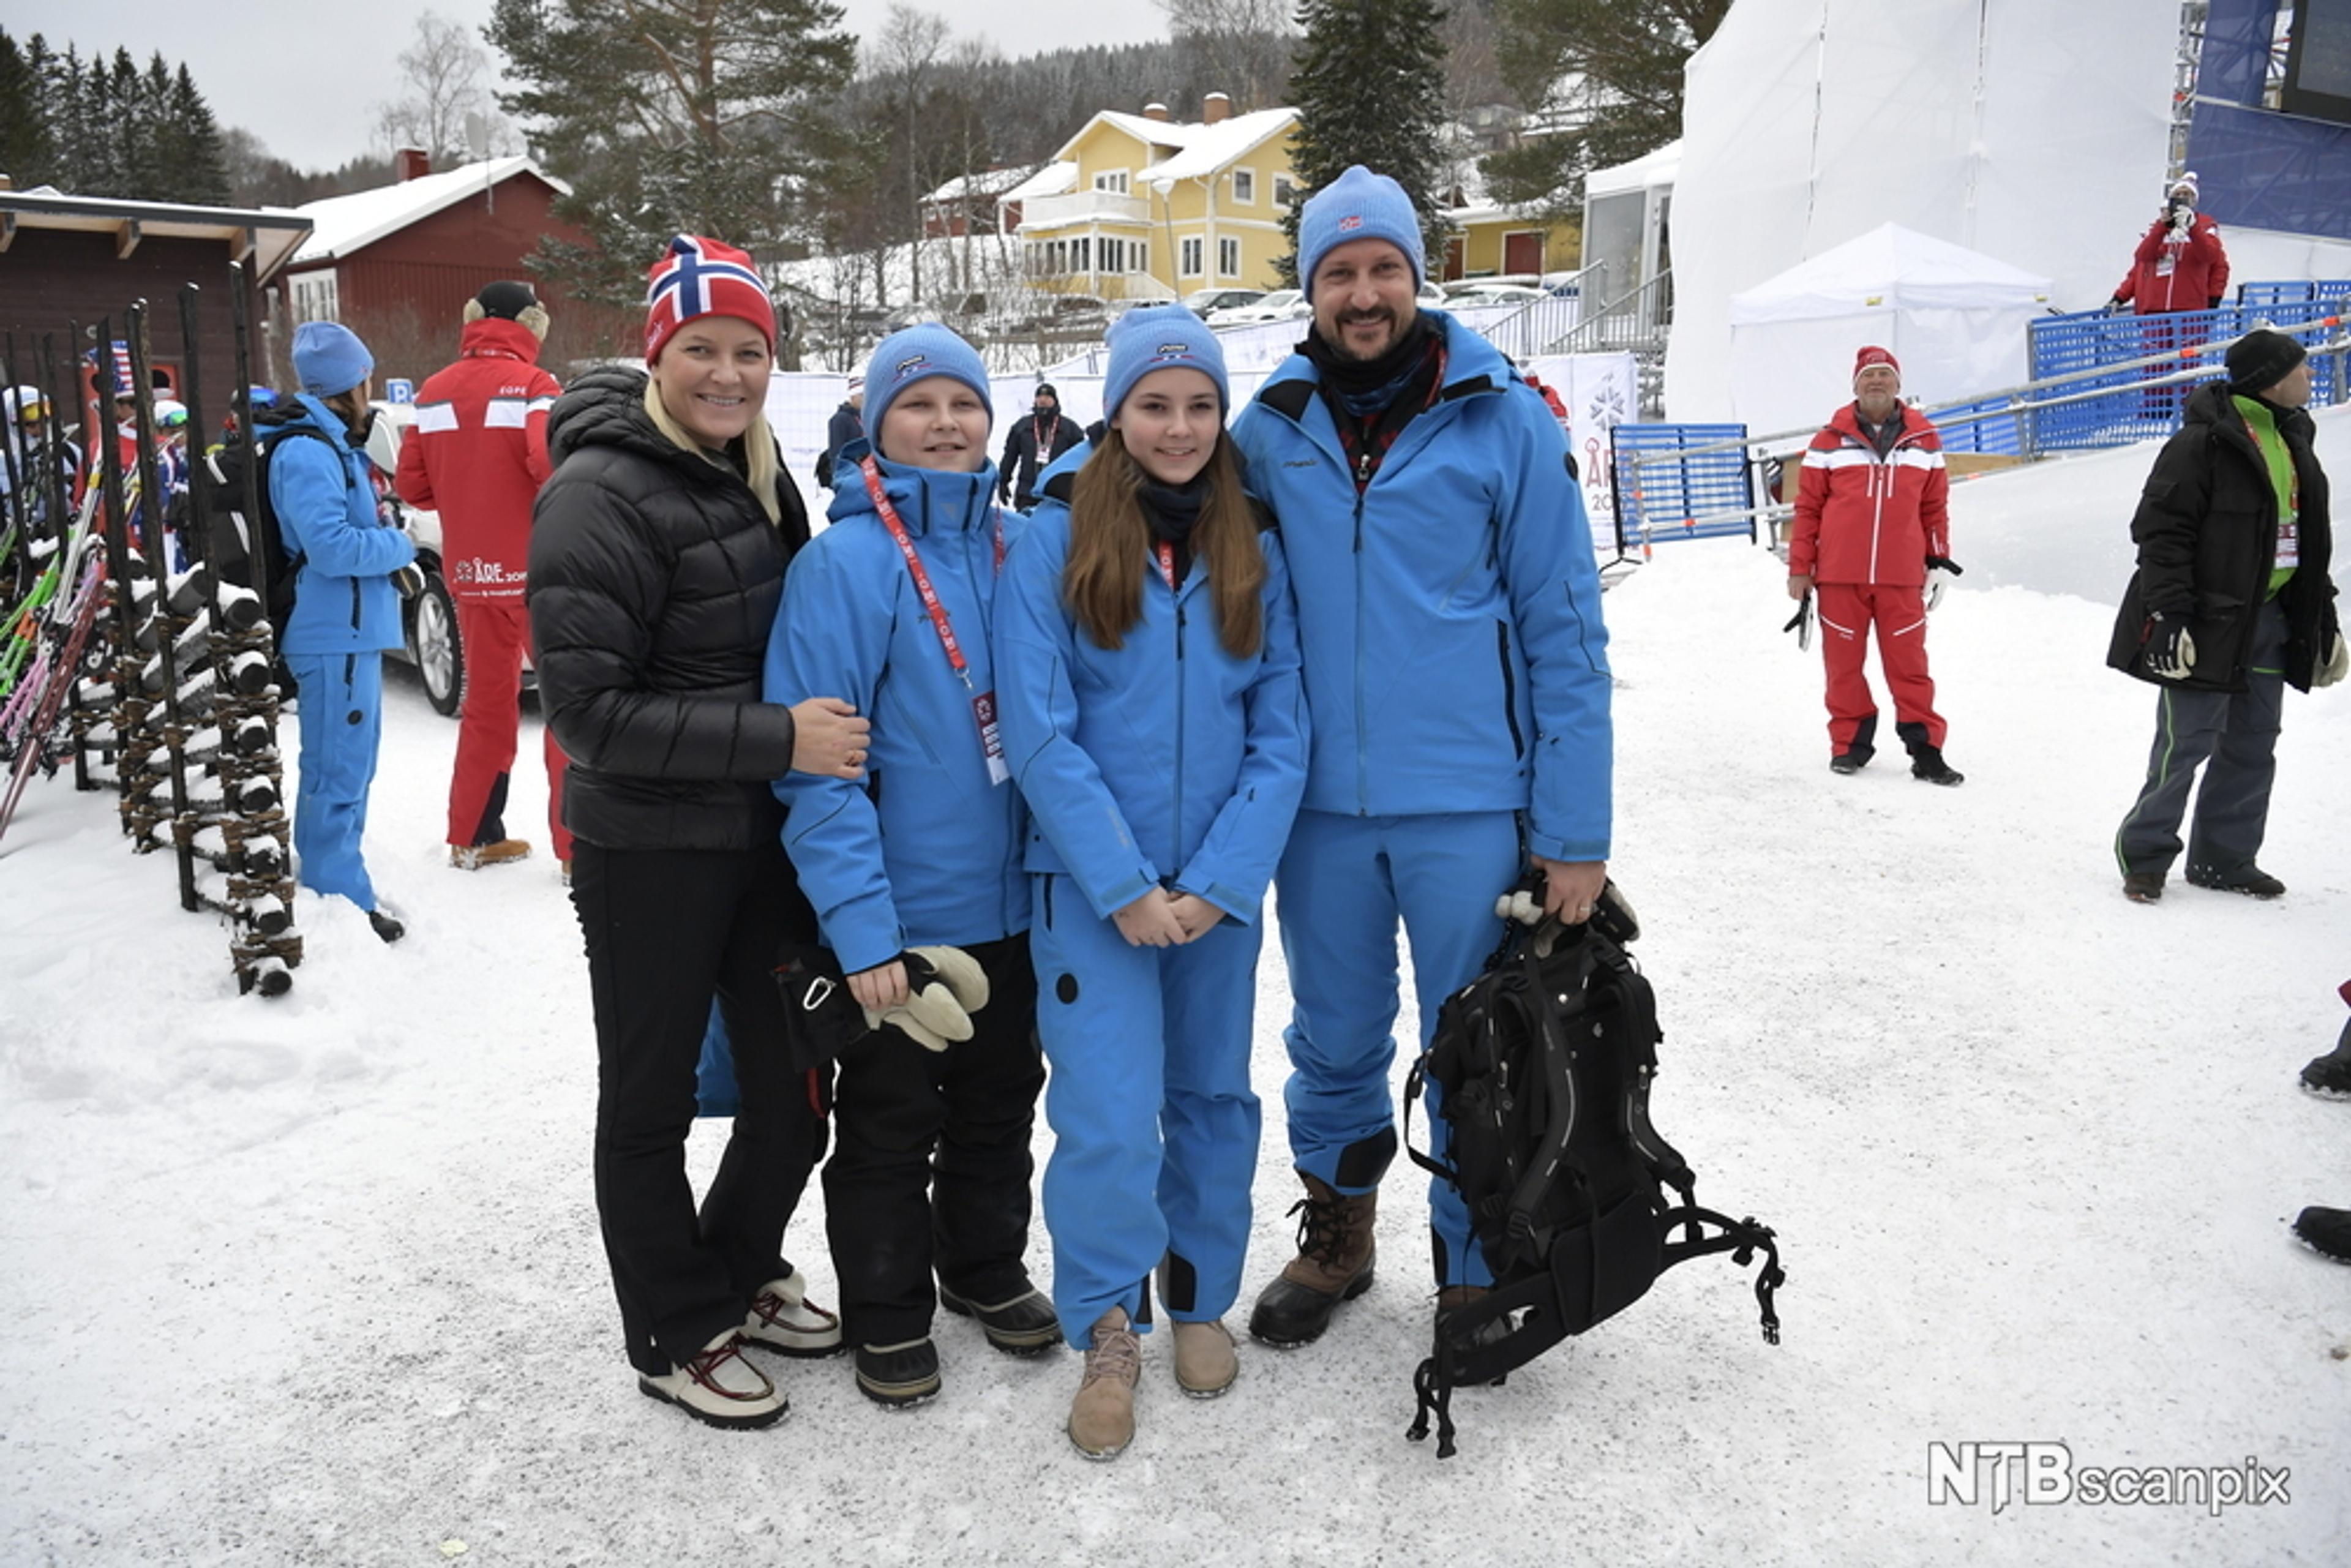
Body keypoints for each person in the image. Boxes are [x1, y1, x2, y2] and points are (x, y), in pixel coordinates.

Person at [1228, 165, 1613, 1349]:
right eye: (1339, 272)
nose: (1363, 294)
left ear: (1416, 275)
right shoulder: (1266, 432)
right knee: (1332, 1040)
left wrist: (1575, 833)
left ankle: (1478, 1262)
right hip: (1317, 813)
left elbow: (1566, 633)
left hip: (1468, 803)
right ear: (1310, 289)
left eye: (1383, 268)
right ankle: (1340, 1234)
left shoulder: (1507, 420)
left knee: (1479, 1043)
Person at [527, 234, 866, 1429]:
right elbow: (588, 715)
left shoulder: (758, 473)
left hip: (760, 840)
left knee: (795, 1082)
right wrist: (780, 738)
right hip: (648, 852)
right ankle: (674, 1329)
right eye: (702, 349)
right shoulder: (596, 493)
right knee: (651, 1100)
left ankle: (737, 1264)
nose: (727, 374)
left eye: (749, 352)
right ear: (657, 354)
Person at [996, 306, 1308, 1458]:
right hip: (1093, 891)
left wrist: (1219, 881)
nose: (1179, 428)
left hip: (1217, 888)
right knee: (1108, 1112)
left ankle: (1198, 1296)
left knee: (1213, 1098)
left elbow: (1283, 732)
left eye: (1200, 406)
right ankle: (1107, 1323)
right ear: (1116, 413)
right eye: (1155, 405)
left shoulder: (1251, 540)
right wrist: (1123, 884)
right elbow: (1040, 730)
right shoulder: (1052, 539)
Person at [766, 323, 1051, 1409]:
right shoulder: (844, 565)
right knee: (889, 1126)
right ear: (876, 425)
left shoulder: (1023, 547)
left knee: (1001, 1107)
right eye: (918, 405)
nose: (945, 424)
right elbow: (817, 775)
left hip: (1018, 908)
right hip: (902, 921)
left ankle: (981, 1265)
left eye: (963, 404)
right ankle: (887, 1308)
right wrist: (863, 930)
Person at [2108, 328, 2343, 903]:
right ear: (2271, 378)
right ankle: (2146, 855)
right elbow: (2161, 534)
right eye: (2302, 367)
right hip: (2206, 622)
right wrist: (2170, 616)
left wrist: (2323, 616)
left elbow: (2306, 538)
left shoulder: (2295, 437)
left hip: (2273, 619)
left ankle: (2224, 859)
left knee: (2254, 741)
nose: (2311, 375)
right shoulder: (2201, 443)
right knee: (2185, 743)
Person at [394, 280, 573, 876]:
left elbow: (412, 486)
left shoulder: (433, 391)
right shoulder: (535, 386)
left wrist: (467, 486)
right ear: (532, 325)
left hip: (471, 574)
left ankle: (471, 837)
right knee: (567, 705)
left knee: (486, 707)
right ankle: (579, 851)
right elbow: (549, 465)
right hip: (538, 573)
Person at [271, 322, 421, 943]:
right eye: (366, 376)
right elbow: (330, 547)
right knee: (336, 769)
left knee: (349, 766)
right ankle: (338, 895)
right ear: (351, 382)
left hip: (349, 633)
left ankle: (336, 879)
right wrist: (401, 543)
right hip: (331, 633)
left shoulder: (333, 444)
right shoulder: (308, 452)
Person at [1785, 347, 1964, 783]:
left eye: (1885, 374)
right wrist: (1800, 567)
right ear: (1856, 386)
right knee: (1843, 667)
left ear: (1898, 384)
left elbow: (1935, 506)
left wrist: (1938, 560)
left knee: (1910, 667)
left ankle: (1926, 750)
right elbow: (1807, 508)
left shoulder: (1925, 440)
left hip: (1901, 576)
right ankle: (1849, 744)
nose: (1877, 382)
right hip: (1839, 575)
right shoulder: (1828, 441)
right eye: (1868, 376)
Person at [2110, 173, 2230, 316]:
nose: (2181, 198)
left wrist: (2214, 298)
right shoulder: (2159, 230)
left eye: (2187, 194)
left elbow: (2211, 259)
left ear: (2194, 200)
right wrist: (2120, 296)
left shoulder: (2206, 226)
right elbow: (2142, 260)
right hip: (2153, 309)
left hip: (2190, 310)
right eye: (2177, 195)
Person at [998, 382, 1083, 511]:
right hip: (1027, 492)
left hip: (1058, 494)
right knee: (1026, 522)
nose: (1043, 400)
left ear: (1055, 401)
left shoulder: (1069, 429)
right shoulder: (1022, 427)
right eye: (1039, 397)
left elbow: (1081, 460)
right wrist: (1003, 481)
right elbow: (1010, 455)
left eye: (1048, 397)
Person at [813, 371, 863, 489]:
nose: (865, 399)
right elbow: (836, 452)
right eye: (861, 395)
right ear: (852, 396)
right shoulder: (840, 419)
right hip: (849, 476)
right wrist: (840, 479)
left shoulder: (863, 418)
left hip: (864, 474)